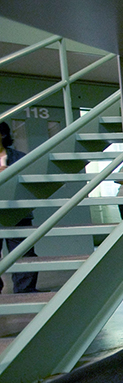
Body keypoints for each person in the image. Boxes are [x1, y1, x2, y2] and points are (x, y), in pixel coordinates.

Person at [0, 122, 39, 293]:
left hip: (17, 212)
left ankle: (25, 291)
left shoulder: (20, 158)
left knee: (24, 255)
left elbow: (31, 186)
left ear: (2, 135)